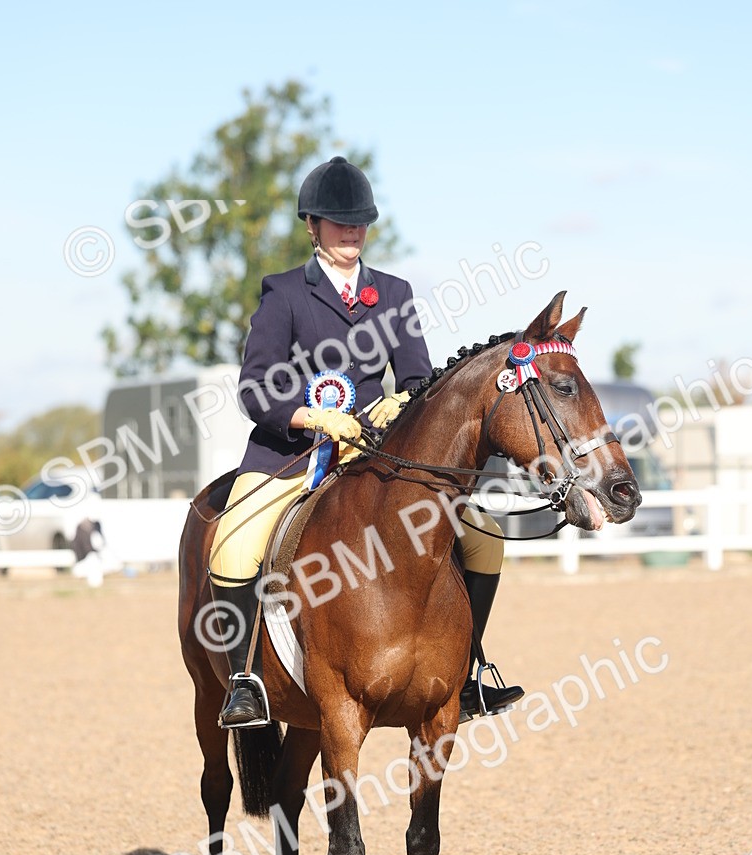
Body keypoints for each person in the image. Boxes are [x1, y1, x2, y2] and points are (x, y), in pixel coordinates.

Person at [209, 155, 524, 727]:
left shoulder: (396, 293)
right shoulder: (283, 294)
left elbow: (417, 380)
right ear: (313, 226)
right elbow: (256, 389)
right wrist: (313, 418)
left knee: (485, 539)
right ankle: (245, 681)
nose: (351, 231)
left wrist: (403, 404)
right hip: (291, 455)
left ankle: (468, 671)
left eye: (359, 222)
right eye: (338, 222)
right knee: (232, 545)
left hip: (375, 452)